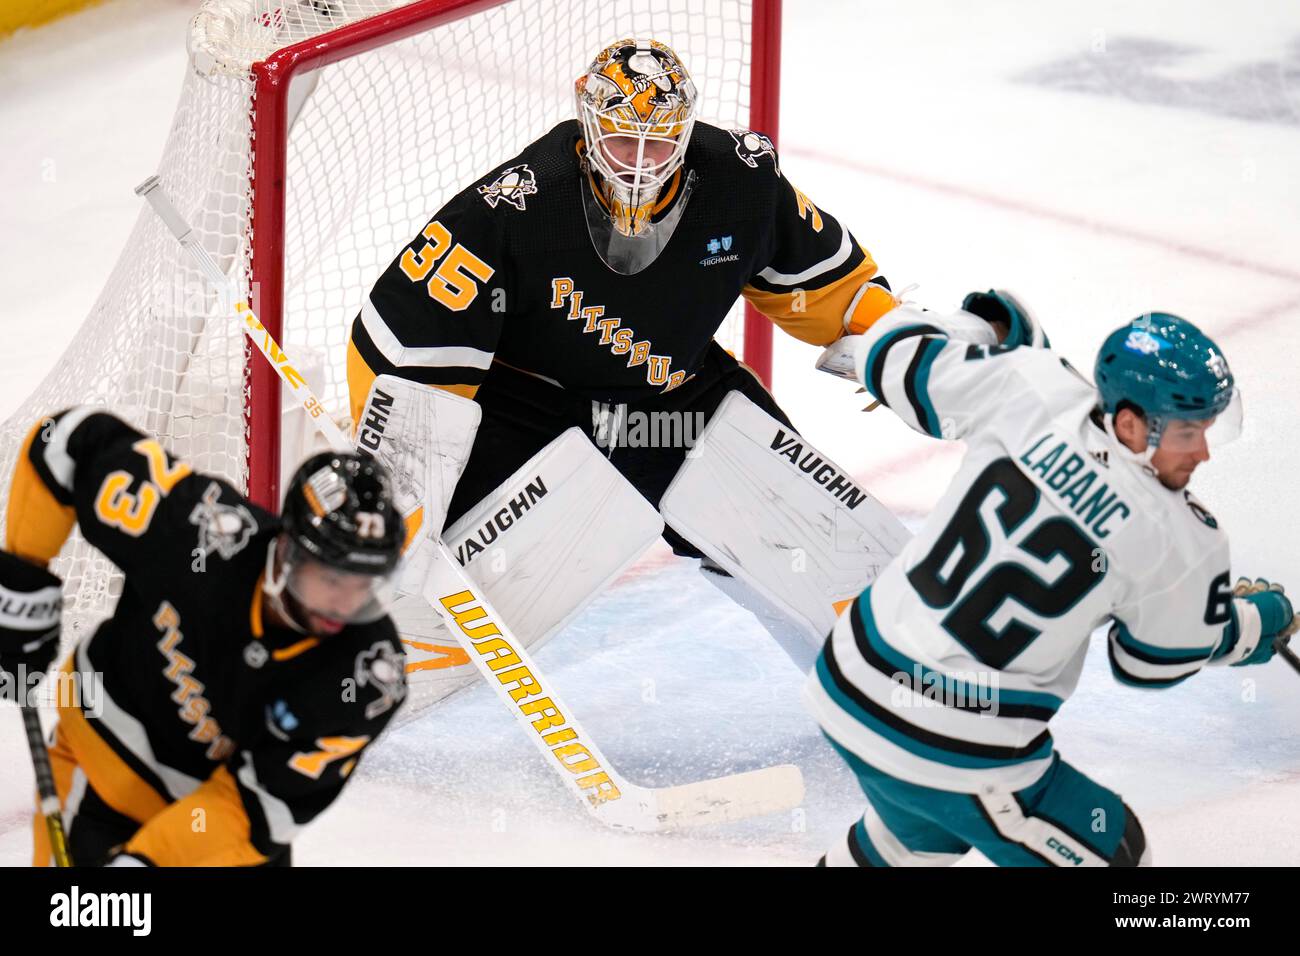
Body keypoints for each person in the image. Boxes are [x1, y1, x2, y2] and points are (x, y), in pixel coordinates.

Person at [345, 38, 899, 602]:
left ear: (684, 133)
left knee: (816, 540)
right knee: (463, 578)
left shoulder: (740, 183)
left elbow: (833, 286)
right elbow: (406, 344)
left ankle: (874, 663)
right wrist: (398, 485)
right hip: (528, 412)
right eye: (619, 138)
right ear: (587, 123)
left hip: (674, 403)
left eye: (656, 144)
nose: (637, 160)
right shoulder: (515, 205)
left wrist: (892, 340)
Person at [804, 296, 1296, 866]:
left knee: (909, 838)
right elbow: (1150, 663)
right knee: (1110, 850)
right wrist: (1256, 623)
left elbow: (891, 355)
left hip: (847, 680)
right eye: (1188, 432)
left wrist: (988, 325)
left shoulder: (1030, 383)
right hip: (954, 742)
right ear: (1132, 423)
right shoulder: (1183, 541)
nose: (1204, 452)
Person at [0, 408, 406, 866]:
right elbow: (68, 441)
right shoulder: (199, 532)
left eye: (363, 584)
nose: (345, 604)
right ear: (289, 549)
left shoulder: (368, 676)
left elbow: (251, 811)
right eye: (331, 579)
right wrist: (20, 578)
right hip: (100, 770)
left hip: (214, 838)